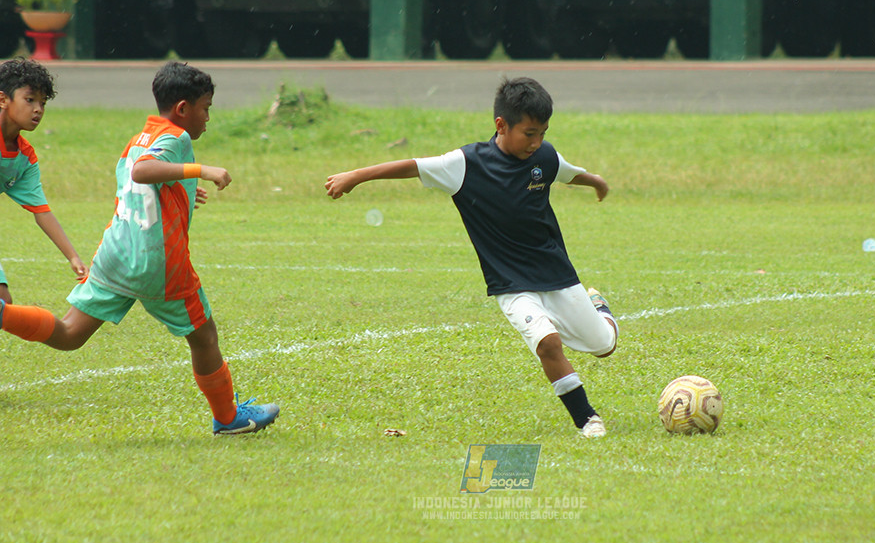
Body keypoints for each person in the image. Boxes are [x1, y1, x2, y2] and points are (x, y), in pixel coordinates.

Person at [325, 77, 618, 438]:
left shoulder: (544, 157)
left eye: (542, 132)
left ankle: (599, 308)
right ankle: (587, 419)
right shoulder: (465, 164)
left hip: (556, 272)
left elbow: (570, 174)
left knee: (604, 347)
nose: (537, 142)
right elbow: (411, 166)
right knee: (547, 342)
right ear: (501, 125)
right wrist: (355, 176)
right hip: (510, 284)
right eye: (529, 133)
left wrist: (597, 183)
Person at [0, 61, 279, 435]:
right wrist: (203, 171)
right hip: (156, 261)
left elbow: (135, 181)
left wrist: (180, 189)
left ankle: (2, 313)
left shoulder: (138, 138)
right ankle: (228, 418)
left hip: (115, 254)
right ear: (182, 109)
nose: (208, 118)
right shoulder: (176, 139)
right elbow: (143, 172)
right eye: (206, 108)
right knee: (204, 335)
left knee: (69, 334)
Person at [0, 57, 88, 304]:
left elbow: (42, 211)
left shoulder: (24, 159)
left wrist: (73, 257)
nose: (38, 109)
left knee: (3, 304)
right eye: (30, 100)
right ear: (3, 100)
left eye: (43, 102)